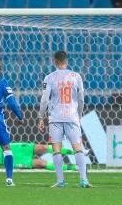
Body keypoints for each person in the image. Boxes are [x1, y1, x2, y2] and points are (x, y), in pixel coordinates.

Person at [38, 51, 91, 188]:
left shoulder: (49, 77)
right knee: (78, 148)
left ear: (54, 62)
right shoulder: (76, 76)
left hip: (55, 118)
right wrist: (79, 114)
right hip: (72, 116)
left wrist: (40, 117)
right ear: (66, 61)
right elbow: (81, 98)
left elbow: (44, 99)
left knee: (56, 149)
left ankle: (61, 181)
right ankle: (83, 180)